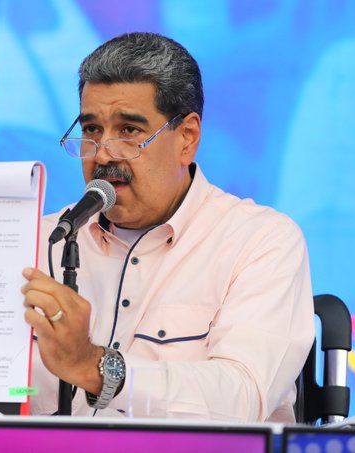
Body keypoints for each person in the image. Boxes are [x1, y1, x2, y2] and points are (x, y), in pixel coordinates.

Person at [22, 32, 314, 421]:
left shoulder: (260, 241)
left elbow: (243, 398)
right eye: (91, 130)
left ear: (187, 139)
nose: (103, 153)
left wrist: (94, 366)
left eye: (129, 131)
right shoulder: (40, 241)